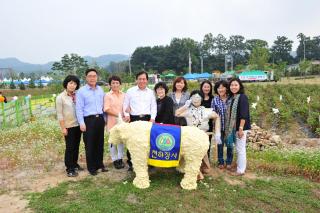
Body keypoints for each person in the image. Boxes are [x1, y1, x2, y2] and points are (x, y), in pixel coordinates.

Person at [175, 90, 221, 180]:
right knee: (191, 153)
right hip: (190, 137)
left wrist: (218, 132)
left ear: (202, 99)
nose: (196, 100)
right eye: (193, 97)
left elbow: (217, 116)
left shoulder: (206, 110)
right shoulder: (188, 110)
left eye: (198, 97)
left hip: (202, 137)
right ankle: (197, 173)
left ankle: (200, 169)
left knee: (202, 157)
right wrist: (185, 106)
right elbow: (177, 113)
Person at [123, 71, 157, 171]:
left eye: (144, 79)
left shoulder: (151, 92)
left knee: (148, 142)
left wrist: (152, 118)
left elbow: (153, 107)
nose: (142, 81)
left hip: (147, 119)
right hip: (134, 119)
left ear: (147, 80)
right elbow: (125, 105)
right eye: (140, 79)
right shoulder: (130, 91)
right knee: (132, 142)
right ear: (136, 80)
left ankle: (149, 164)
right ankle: (131, 164)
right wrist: (126, 115)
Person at [76, 68, 107, 176]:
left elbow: (103, 105)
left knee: (100, 143)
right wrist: (81, 123)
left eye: (94, 76)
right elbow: (79, 108)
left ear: (97, 77)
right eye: (90, 76)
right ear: (86, 78)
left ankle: (100, 164)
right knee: (90, 144)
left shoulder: (100, 90)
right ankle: (91, 167)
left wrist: (105, 119)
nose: (92, 78)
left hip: (100, 119)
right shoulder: (81, 91)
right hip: (88, 120)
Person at [56, 75, 83, 177]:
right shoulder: (60, 97)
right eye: (71, 83)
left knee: (76, 146)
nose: (73, 85)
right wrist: (63, 128)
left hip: (78, 125)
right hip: (68, 126)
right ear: (66, 84)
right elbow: (59, 114)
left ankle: (75, 164)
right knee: (70, 147)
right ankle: (69, 168)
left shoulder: (77, 95)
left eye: (75, 84)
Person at [226, 78, 251, 176]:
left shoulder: (242, 97)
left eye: (236, 85)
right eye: (232, 85)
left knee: (240, 149)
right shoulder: (232, 98)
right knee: (238, 148)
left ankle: (240, 171)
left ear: (240, 86)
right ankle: (239, 167)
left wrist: (240, 129)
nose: (233, 87)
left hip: (241, 127)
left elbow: (244, 114)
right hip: (234, 127)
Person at [104, 75, 125, 169]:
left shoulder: (123, 94)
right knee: (112, 142)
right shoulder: (108, 95)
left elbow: (126, 107)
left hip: (122, 122)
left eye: (117, 83)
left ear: (120, 84)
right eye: (113, 83)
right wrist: (118, 115)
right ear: (110, 85)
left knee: (121, 141)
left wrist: (125, 116)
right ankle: (114, 159)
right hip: (112, 122)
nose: (115, 84)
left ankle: (120, 158)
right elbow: (106, 109)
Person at [211, 80, 233, 170]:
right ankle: (220, 161)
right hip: (219, 126)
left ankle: (229, 162)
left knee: (229, 144)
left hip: (230, 126)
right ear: (217, 89)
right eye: (219, 88)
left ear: (226, 88)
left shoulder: (231, 98)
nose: (221, 89)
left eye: (223, 87)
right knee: (220, 144)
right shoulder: (215, 100)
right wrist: (214, 127)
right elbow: (213, 113)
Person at [200, 80, 214, 158]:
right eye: (205, 87)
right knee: (199, 142)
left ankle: (207, 160)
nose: (206, 88)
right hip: (198, 124)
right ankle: (199, 160)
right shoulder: (198, 97)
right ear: (202, 88)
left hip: (209, 124)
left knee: (207, 142)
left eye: (208, 87)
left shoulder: (213, 98)